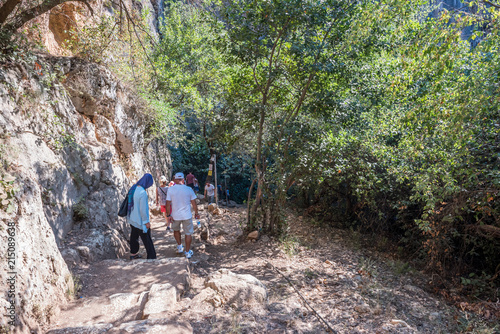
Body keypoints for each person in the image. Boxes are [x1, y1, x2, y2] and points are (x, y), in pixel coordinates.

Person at [166, 172, 200, 259]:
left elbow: (167, 203)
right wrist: (196, 213)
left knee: (176, 230)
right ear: (183, 180)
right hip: (187, 215)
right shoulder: (189, 189)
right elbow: (194, 204)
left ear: (175, 180)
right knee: (188, 233)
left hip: (175, 215)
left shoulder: (170, 189)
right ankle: (187, 252)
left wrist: (168, 215)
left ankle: (180, 246)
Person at [127, 173, 156, 260]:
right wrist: (146, 221)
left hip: (132, 218)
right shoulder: (142, 193)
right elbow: (143, 210)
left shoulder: (133, 188)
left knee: (134, 237)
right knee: (147, 240)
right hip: (140, 220)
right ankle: (151, 258)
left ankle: (133, 254)